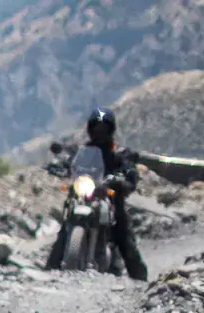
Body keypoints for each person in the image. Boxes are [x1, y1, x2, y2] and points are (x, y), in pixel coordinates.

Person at [47, 109, 148, 280]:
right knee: (65, 229)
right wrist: (58, 166)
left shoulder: (118, 153)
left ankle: (141, 281)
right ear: (90, 130)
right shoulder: (82, 151)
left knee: (123, 236)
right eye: (96, 128)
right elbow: (69, 161)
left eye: (103, 129)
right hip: (84, 194)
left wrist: (124, 179)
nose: (99, 132)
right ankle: (50, 272)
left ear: (110, 130)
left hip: (110, 197)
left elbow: (129, 170)